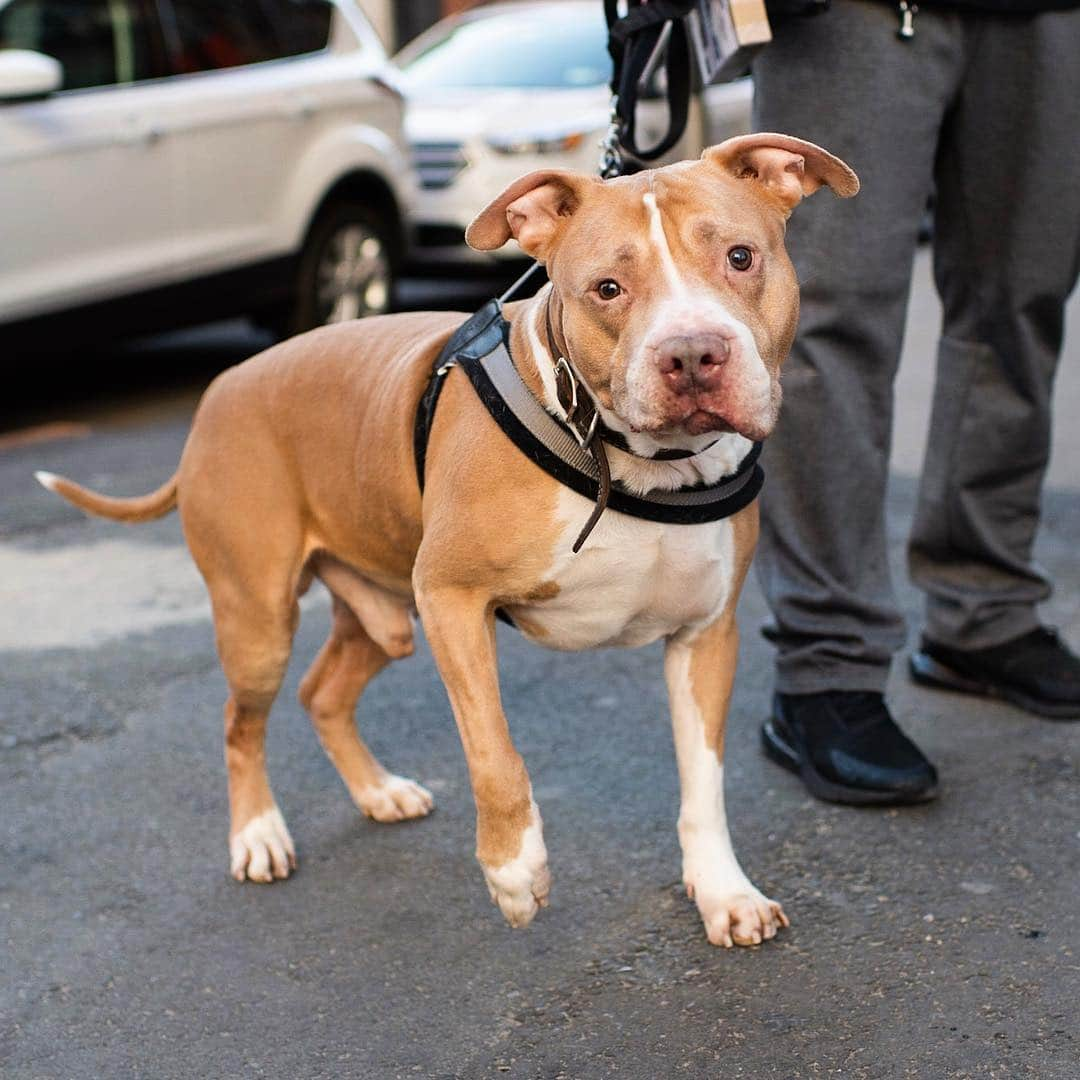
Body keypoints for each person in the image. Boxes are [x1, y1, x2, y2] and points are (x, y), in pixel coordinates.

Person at [750, 0, 1080, 804]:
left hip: (1047, 12)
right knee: (825, 316)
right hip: (851, 12)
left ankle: (983, 610)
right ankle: (825, 662)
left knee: (1022, 301)